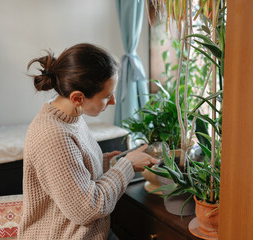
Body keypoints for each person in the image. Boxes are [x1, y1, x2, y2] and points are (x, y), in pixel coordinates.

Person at [18, 43, 158, 240]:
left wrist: (109, 162)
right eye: (107, 96)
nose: (113, 102)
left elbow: (71, 172)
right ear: (78, 98)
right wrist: (126, 166)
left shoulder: (71, 116)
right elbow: (87, 209)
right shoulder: (53, 135)